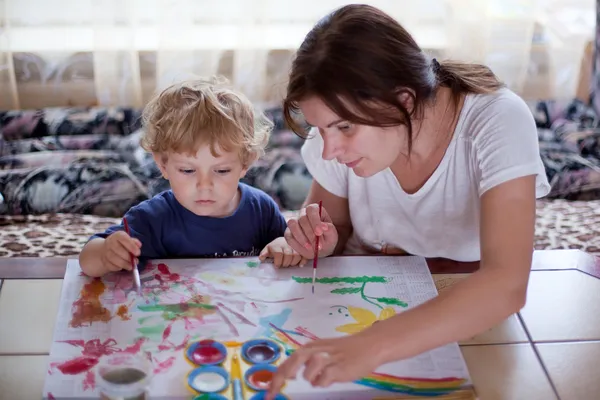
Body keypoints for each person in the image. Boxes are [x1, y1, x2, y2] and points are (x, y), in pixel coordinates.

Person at [266, 4, 550, 397]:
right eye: (320, 128)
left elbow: (506, 283)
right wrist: (322, 241)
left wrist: (371, 345)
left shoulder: (497, 121)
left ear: (403, 100)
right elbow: (332, 229)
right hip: (363, 299)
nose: (329, 150)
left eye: (344, 127)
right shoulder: (335, 143)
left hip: (464, 303)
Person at [79, 77, 306, 277]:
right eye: (188, 171)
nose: (204, 185)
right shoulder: (152, 219)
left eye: (222, 170)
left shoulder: (261, 210)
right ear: (163, 164)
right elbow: (87, 261)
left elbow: (287, 245)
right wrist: (106, 254)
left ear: (246, 162)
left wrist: (283, 246)